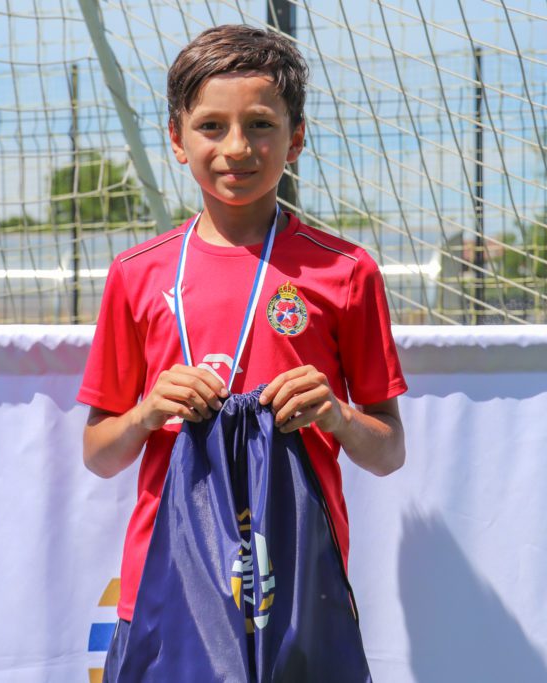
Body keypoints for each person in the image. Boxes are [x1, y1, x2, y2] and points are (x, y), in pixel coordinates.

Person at [76, 24, 407, 679]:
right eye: (211, 126)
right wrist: (147, 412)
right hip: (165, 590)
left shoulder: (346, 272)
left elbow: (389, 449)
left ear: (296, 138)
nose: (236, 147)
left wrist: (337, 415)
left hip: (298, 589)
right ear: (176, 139)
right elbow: (98, 452)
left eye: (260, 125)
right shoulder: (136, 274)